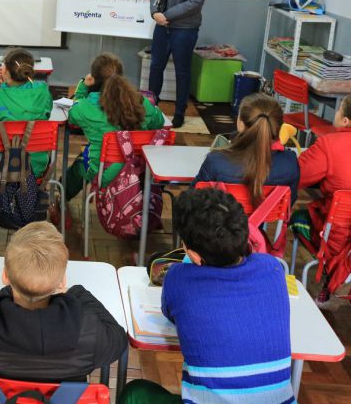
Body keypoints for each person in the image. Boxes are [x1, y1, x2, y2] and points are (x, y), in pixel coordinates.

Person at [119, 189, 294, 403]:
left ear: (193, 254)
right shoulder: (273, 269)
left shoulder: (180, 279)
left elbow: (169, 311)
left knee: (134, 393)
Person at [0, 222, 126, 382]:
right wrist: (78, 292)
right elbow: (118, 339)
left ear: (5, 276)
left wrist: (6, 290)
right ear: (62, 282)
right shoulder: (91, 334)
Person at [65, 53, 165, 201]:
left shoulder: (85, 107)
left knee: (81, 163)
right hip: (138, 172)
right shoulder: (140, 102)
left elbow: (72, 114)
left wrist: (83, 87)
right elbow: (159, 123)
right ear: (121, 78)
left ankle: (62, 200)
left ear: (94, 80)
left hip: (103, 174)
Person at [291, 94, 351, 304]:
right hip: (346, 240)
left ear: (345, 120)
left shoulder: (329, 144)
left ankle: (292, 281)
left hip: (333, 237)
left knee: (297, 216)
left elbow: (298, 175)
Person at [149, 0, 211, 128]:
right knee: (156, 67)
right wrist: (155, 13)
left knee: (182, 72)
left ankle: (179, 112)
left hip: (184, 29)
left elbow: (195, 2)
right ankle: (151, 107)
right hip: (162, 26)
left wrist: (166, 15)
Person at [193, 93, 299, 206]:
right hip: (261, 221)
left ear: (241, 124)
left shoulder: (215, 160)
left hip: (221, 221)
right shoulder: (290, 162)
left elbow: (193, 199)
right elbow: (288, 203)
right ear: (279, 126)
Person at [0, 47, 53, 177]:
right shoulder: (44, 92)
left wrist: (4, 86)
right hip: (36, 167)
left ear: (5, 71)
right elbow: (48, 112)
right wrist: (8, 85)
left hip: (4, 167)